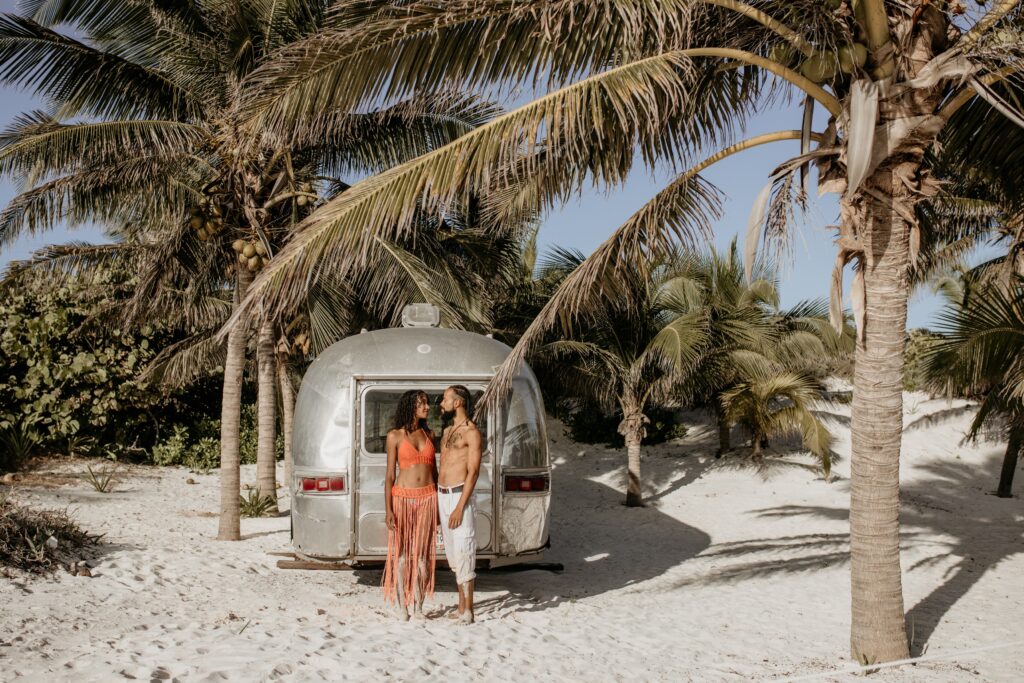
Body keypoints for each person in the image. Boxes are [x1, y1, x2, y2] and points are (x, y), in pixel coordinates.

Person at [382, 390, 438, 621]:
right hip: (402, 498)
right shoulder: (394, 436)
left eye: (426, 403)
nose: (427, 407)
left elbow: (435, 472)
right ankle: (402, 606)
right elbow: (389, 476)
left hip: (428, 497)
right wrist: (388, 510)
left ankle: (418, 606)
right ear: (410, 406)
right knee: (403, 554)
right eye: (422, 403)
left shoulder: (430, 434)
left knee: (423, 556)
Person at [437, 384, 483, 624]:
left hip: (459, 495)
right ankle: (460, 605)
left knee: (465, 548)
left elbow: (473, 472)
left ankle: (469, 610)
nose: (441, 403)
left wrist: (459, 506)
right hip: (442, 494)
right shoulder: (446, 431)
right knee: (454, 554)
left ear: (458, 403)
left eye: (445, 398)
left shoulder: (471, 432)